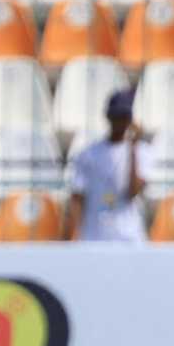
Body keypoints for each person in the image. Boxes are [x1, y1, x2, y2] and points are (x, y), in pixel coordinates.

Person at [67, 90, 152, 242]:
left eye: (124, 117)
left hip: (129, 236)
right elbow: (77, 198)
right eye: (116, 116)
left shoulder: (143, 152)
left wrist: (133, 148)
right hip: (94, 236)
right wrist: (70, 236)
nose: (120, 121)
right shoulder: (87, 153)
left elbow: (133, 192)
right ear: (108, 116)